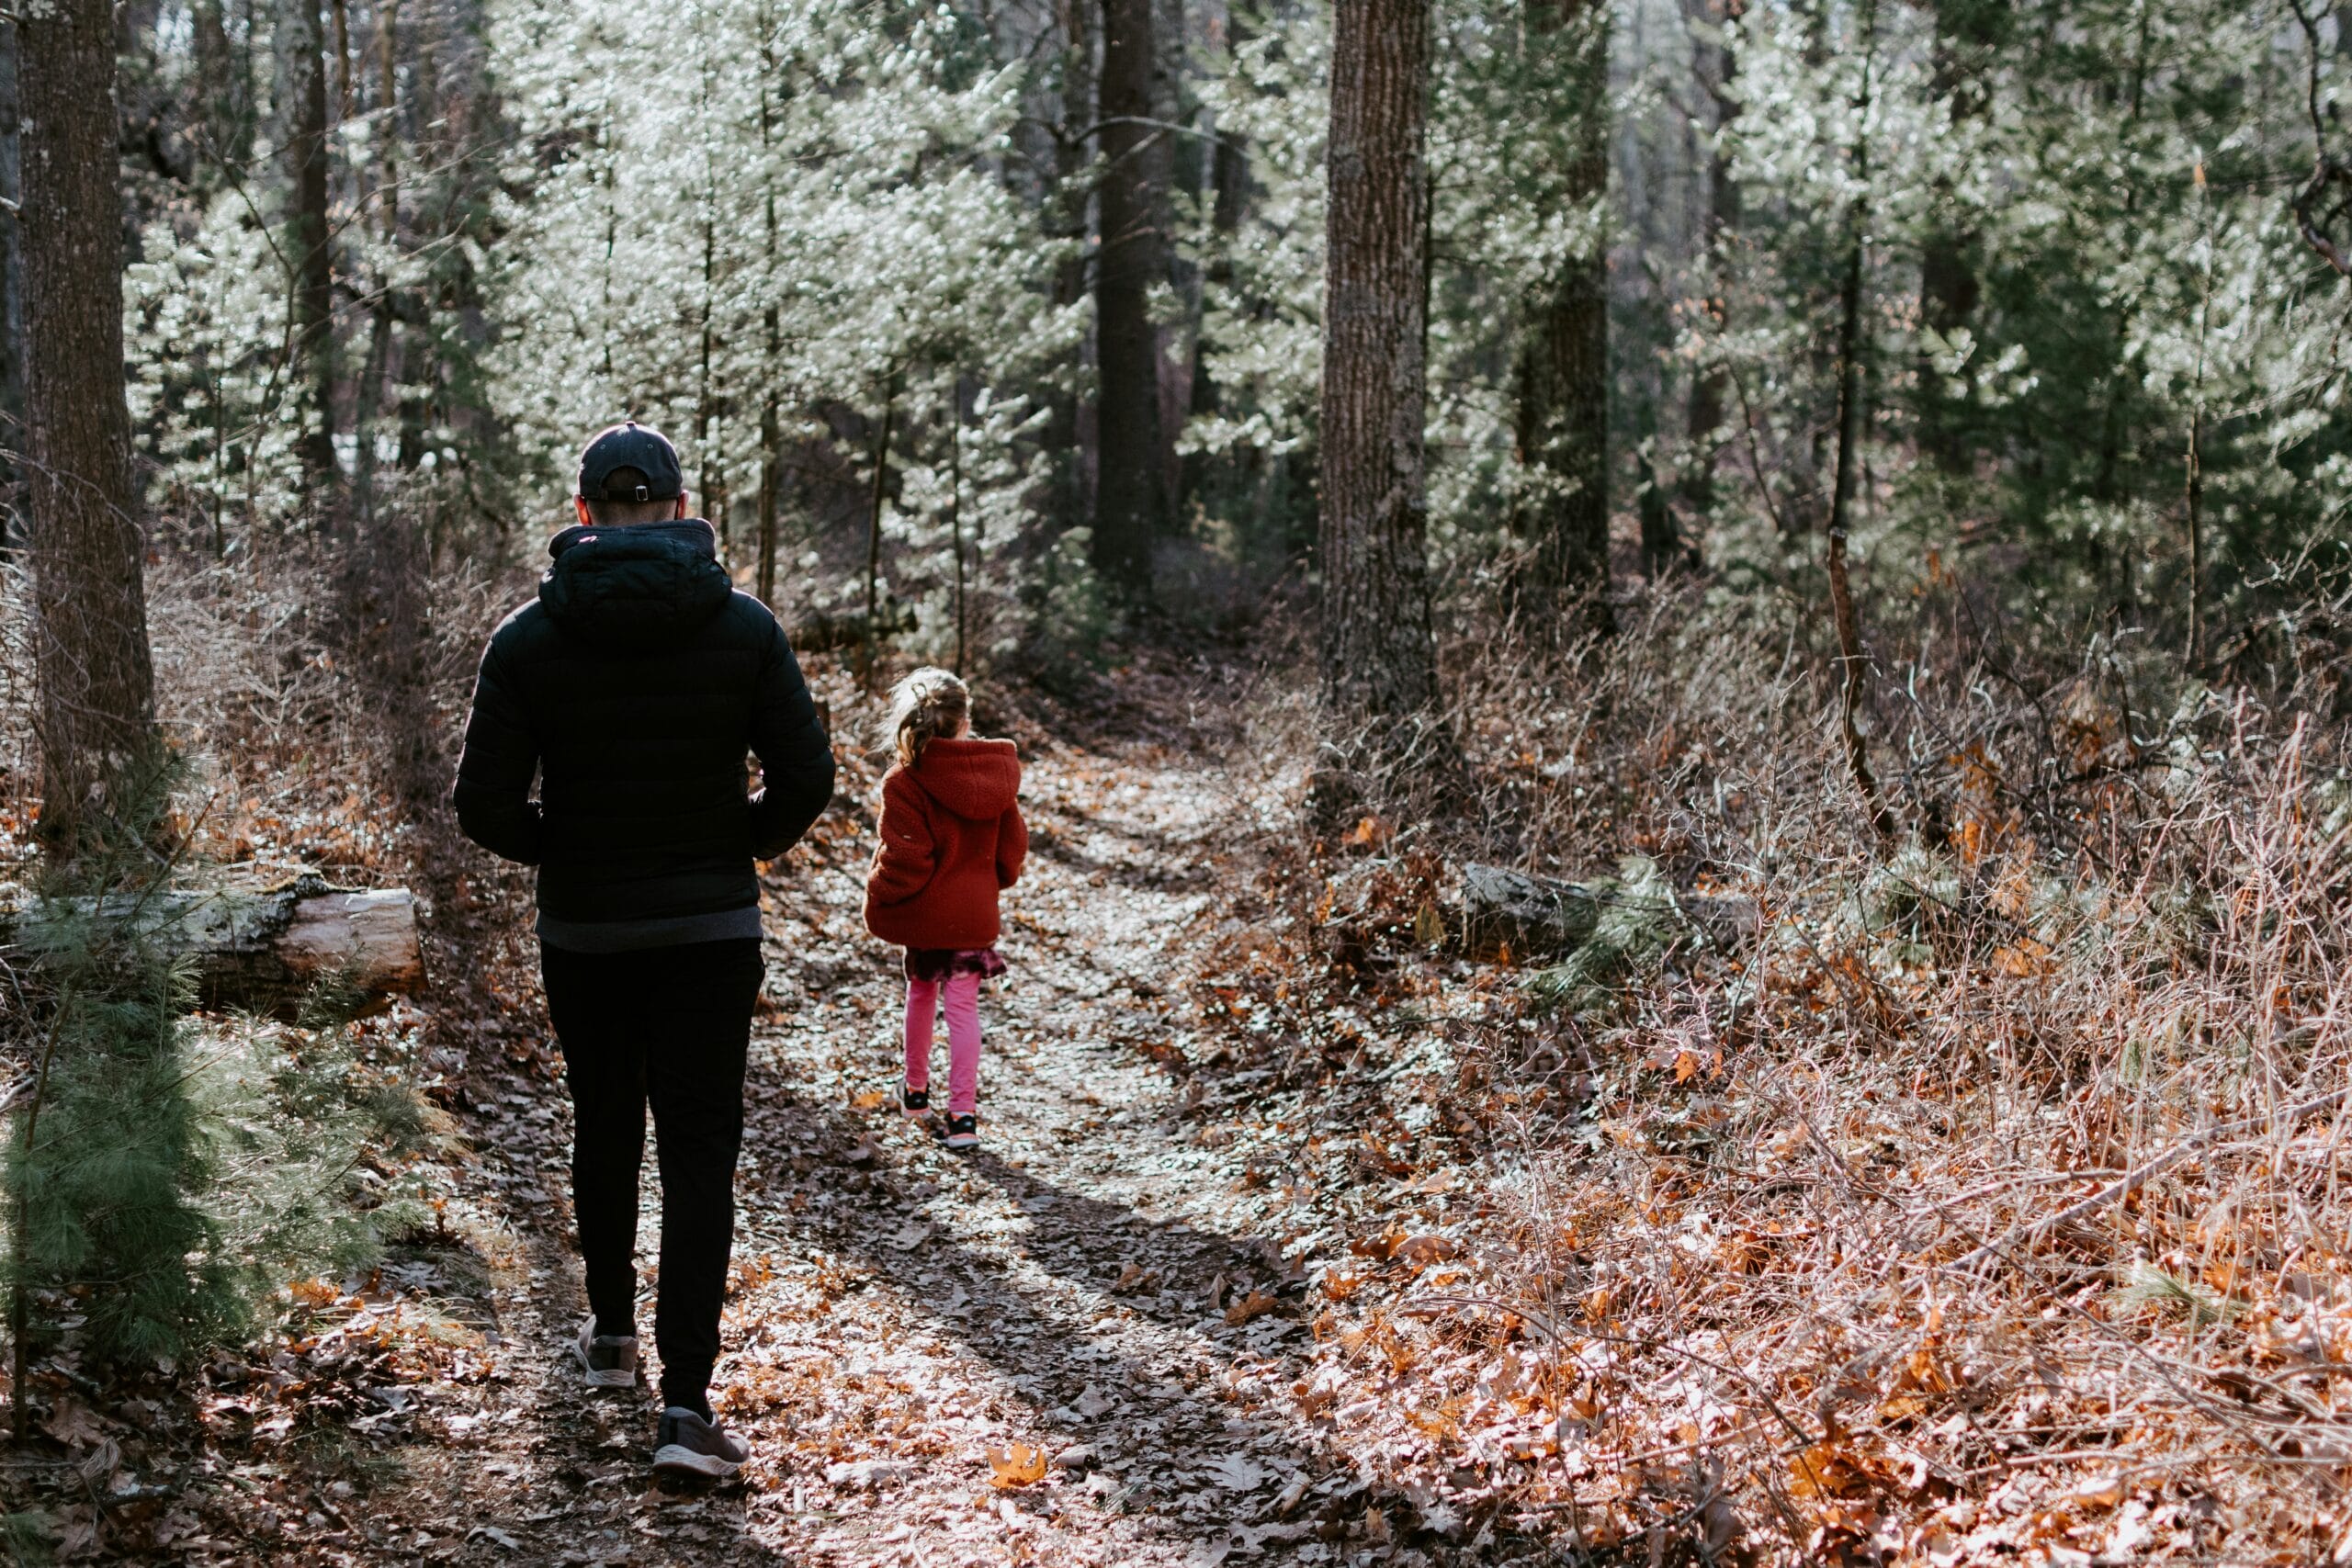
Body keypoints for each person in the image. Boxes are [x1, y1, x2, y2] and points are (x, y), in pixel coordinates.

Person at [451, 421, 834, 1479]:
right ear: (676, 508)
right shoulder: (743, 627)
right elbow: (807, 780)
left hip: (586, 929)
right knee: (700, 1151)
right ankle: (686, 1408)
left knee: (604, 1118)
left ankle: (610, 1335)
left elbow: (481, 805)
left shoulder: (528, 637)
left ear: (583, 513)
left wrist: (566, 854)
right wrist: (734, 848)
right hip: (710, 930)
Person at [863, 669, 1025, 1151]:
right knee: (963, 1012)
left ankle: (915, 1093)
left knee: (920, 995)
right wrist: (986, 885)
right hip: (973, 914)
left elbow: (906, 861)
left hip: (927, 916)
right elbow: (1013, 849)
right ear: (965, 719)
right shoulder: (996, 774)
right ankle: (964, 1118)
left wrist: (879, 891)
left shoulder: (905, 780)